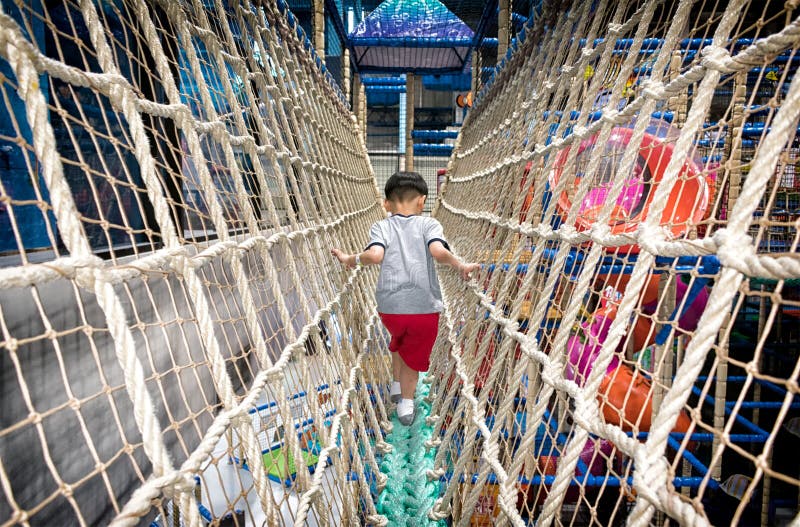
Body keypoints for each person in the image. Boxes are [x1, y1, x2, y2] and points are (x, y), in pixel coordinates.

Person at [332, 172, 479, 425]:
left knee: (400, 339)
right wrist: (459, 265)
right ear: (422, 201)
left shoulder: (381, 226)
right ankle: (406, 405)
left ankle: (396, 387)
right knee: (413, 355)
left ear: (386, 204)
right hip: (422, 308)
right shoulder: (429, 225)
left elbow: (375, 255)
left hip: (389, 309)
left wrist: (350, 259)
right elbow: (438, 251)